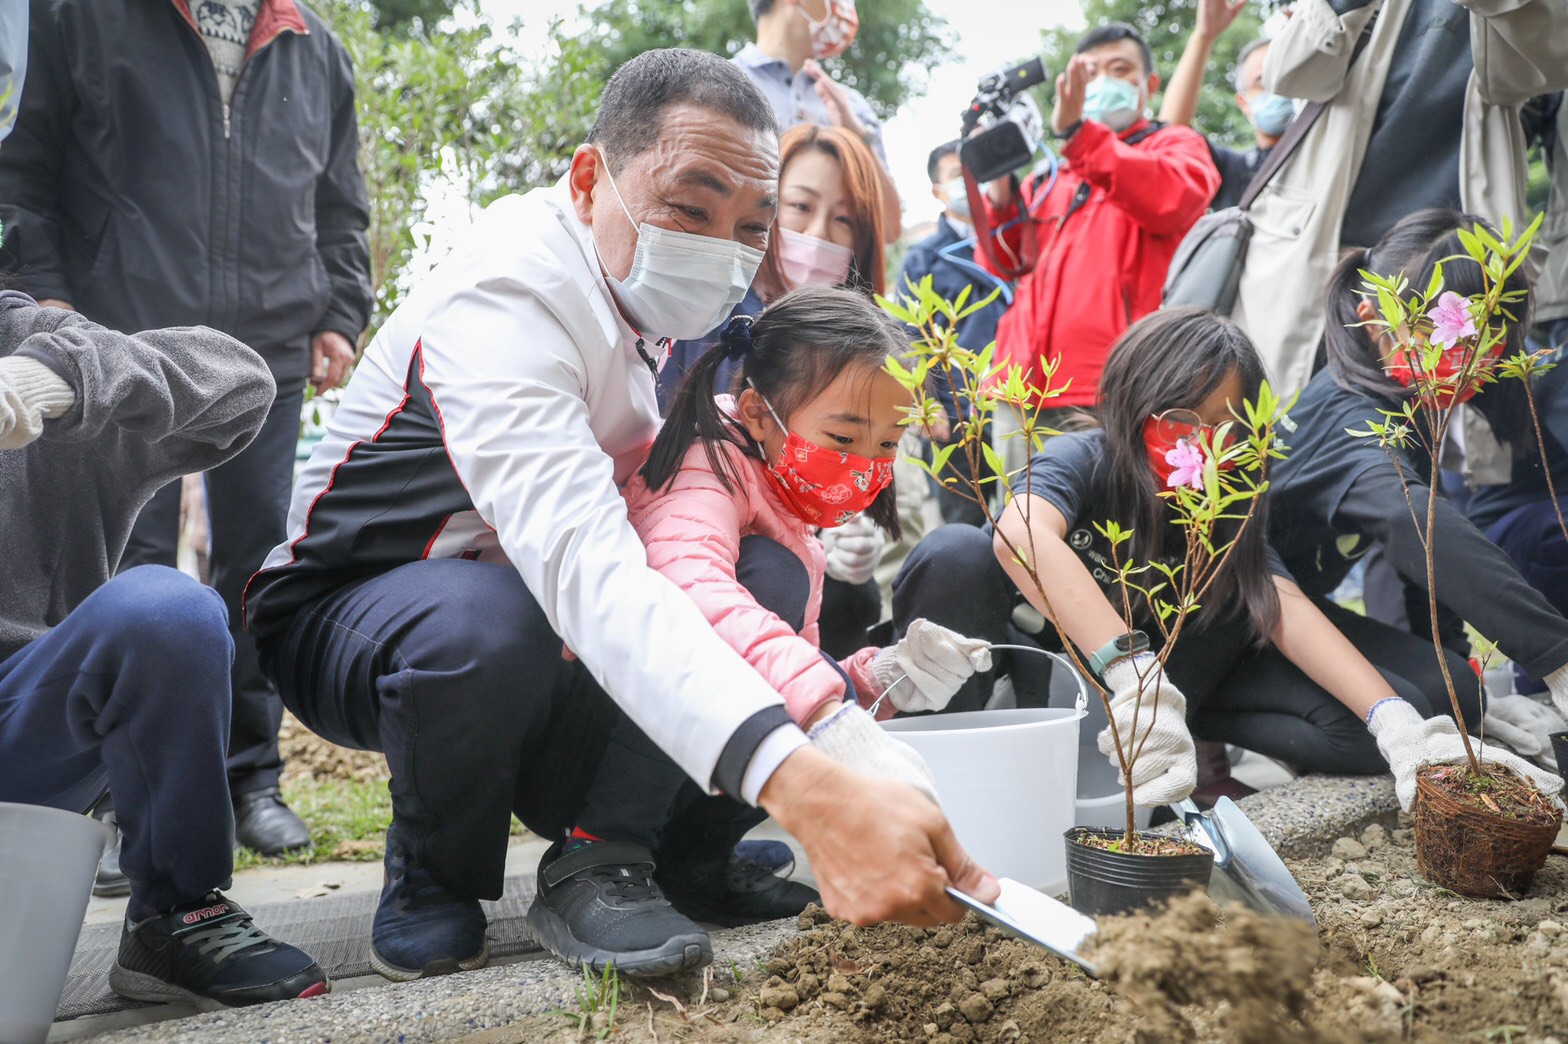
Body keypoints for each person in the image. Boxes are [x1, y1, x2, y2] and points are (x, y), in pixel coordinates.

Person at [244, 48, 997, 984]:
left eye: (749, 226)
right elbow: (588, 570)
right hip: (360, 622)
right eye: (692, 207)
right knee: (492, 620)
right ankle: (435, 877)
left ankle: (656, 856)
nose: (724, 247)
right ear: (590, 175)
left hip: (540, 644)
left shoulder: (650, 306)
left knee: (760, 569)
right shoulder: (509, 300)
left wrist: (858, 684)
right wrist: (812, 775)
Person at [892, 306, 1564, 809]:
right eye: (1183, 420)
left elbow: (1279, 602)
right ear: (1133, 404)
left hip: (1188, 674)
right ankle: (940, 786)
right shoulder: (1086, 460)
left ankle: (1193, 746)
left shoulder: (1229, 493)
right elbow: (1019, 538)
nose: (1206, 443)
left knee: (1422, 703)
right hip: (1089, 678)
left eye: (1230, 428)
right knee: (952, 553)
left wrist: (1395, 725)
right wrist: (1134, 679)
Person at [0, 0, 374, 860]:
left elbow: (341, 199)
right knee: (124, 562)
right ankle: (115, 794)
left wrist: (341, 313)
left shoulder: (317, 46)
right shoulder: (81, 18)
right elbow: (25, 167)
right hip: (108, 344)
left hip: (267, 343)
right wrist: (50, 295)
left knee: (257, 561)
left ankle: (251, 778)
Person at [530, 286, 992, 972]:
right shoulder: (703, 462)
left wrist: (880, 680)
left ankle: (692, 860)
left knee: (799, 664)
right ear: (756, 411)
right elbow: (690, 596)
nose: (867, 463)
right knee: (770, 584)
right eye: (843, 437)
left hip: (675, 734)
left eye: (887, 443)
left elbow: (782, 660)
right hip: (584, 748)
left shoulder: (779, 477)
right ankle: (598, 852)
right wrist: (830, 710)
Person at [0, 293, 332, 1008]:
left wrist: (51, 380)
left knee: (167, 612)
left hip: (22, 721)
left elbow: (239, 382)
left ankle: (175, 912)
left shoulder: (34, 341)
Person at [1269, 208, 1568, 768]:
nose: (1468, 361)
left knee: (1454, 688)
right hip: (1227, 620)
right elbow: (1418, 527)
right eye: (1447, 333)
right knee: (1406, 721)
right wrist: (1557, 658)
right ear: (1372, 320)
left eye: (1486, 339)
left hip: (1289, 610)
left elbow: (1419, 557)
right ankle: (1211, 745)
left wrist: (1472, 699)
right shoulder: (1350, 417)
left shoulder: (1403, 404)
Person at [1229, 0, 1568, 395]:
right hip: (1329, 259)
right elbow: (1287, 75)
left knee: (1442, 438)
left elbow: (1551, 62)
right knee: (1304, 422)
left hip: (1455, 268)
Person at [659, 122, 905, 657]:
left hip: (802, 584)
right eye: (799, 207)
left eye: (843, 219)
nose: (819, 233)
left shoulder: (873, 350)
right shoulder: (703, 322)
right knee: (775, 571)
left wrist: (844, 529)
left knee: (852, 595)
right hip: (715, 574)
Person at [977, 22, 1219, 474]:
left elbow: (1172, 200)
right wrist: (999, 178)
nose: (1103, 80)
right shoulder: (1052, 174)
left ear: (1149, 85)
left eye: (1119, 68)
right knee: (1017, 531)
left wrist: (1079, 136)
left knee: (1107, 533)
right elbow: (1005, 260)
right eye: (1091, 72)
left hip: (1111, 389)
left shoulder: (1174, 145)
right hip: (1020, 389)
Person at [894, 140, 1011, 527]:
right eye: (958, 175)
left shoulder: (1014, 242)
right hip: (956, 412)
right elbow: (909, 335)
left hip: (1017, 404)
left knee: (1025, 517)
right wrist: (929, 404)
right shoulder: (924, 258)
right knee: (964, 523)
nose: (970, 182)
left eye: (975, 171)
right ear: (937, 191)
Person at [733, 0, 902, 243]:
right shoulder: (716, 86)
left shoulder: (851, 106)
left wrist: (858, 139)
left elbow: (887, 228)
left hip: (825, 277)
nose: (844, 7)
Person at [1158, 0, 1291, 211]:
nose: (1276, 89)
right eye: (1262, 82)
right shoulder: (1233, 169)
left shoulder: (1333, 150)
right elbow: (1171, 130)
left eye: (1286, 78)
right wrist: (1203, 36)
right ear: (1243, 102)